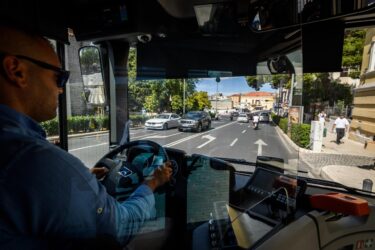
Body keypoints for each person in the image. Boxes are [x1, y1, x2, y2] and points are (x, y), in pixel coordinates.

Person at [0, 25, 172, 248]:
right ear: (17, 71)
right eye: (59, 77)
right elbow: (119, 226)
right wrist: (152, 183)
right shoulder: (31, 159)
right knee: (169, 224)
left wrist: (80, 179)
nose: (61, 89)